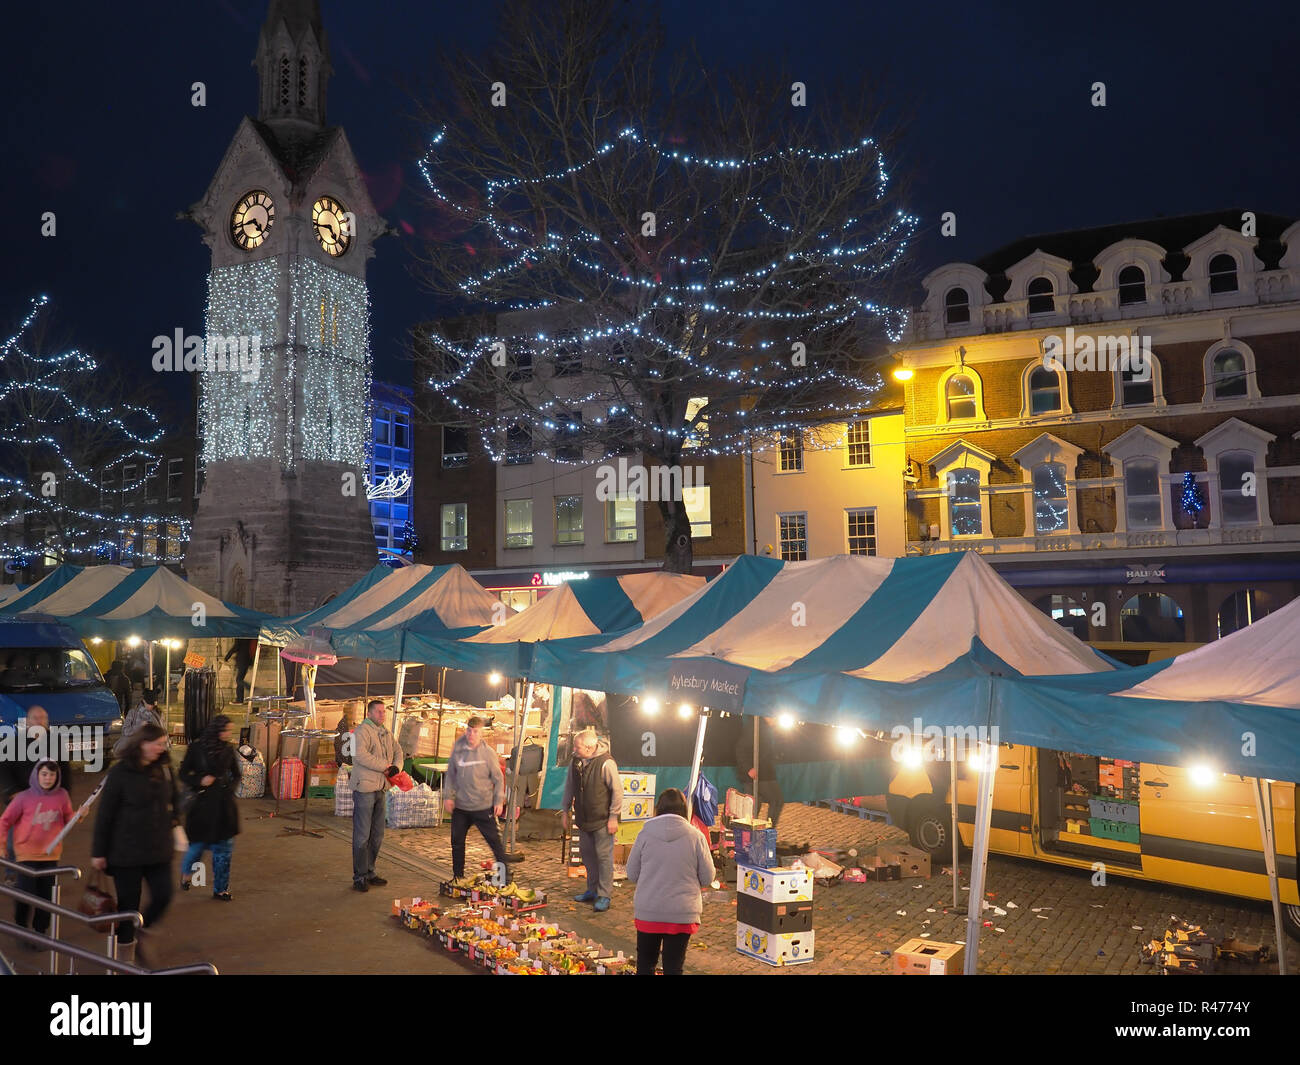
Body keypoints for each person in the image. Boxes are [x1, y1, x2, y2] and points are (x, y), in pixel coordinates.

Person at [91, 722, 178, 965]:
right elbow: (105, 815)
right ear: (142, 743)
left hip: (158, 849)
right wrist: (98, 852)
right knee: (129, 906)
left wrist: (176, 820)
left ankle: (145, 932)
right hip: (125, 853)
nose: (161, 749)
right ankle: (125, 953)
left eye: (163, 744)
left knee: (164, 894)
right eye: (157, 744)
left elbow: (175, 798)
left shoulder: (164, 768)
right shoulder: (120, 773)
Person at [626, 788, 715, 975]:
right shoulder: (696, 836)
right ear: (684, 809)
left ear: (658, 808)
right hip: (682, 913)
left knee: (645, 965)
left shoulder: (645, 834)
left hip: (648, 911)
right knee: (674, 967)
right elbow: (708, 877)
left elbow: (632, 874)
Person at [0, 761, 74, 947]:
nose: (48, 778)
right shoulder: (23, 798)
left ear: (57, 777)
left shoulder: (62, 796)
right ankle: (22, 927)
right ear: (36, 775)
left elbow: (67, 818)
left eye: (52, 775)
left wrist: (78, 815)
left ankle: (40, 932)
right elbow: (5, 821)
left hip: (50, 855)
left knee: (45, 896)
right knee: (26, 892)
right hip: (26, 854)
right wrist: (2, 846)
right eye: (44, 774)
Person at [443, 716, 513, 890]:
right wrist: (448, 796)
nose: (471, 734)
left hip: (483, 806)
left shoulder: (488, 753)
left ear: (481, 734)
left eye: (475, 732)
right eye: (469, 730)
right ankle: (458, 876)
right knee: (457, 842)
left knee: (494, 843)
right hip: (461, 807)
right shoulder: (458, 748)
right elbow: (451, 774)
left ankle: (505, 878)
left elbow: (498, 778)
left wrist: (498, 800)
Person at [178, 714, 240, 901]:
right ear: (216, 729)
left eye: (230, 730)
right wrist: (199, 780)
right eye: (225, 730)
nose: (228, 734)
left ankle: (220, 889)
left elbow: (236, 774)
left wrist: (228, 789)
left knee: (224, 851)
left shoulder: (228, 749)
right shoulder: (196, 748)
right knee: (197, 847)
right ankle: (186, 874)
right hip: (201, 807)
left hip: (223, 808)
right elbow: (182, 773)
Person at [560, 728, 622, 912]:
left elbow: (617, 791)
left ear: (589, 747)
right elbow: (570, 786)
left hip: (602, 819)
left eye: (577, 746)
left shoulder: (606, 763)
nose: (574, 749)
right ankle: (592, 889)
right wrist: (564, 810)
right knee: (587, 856)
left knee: (603, 858)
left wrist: (613, 816)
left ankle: (604, 895)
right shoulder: (576, 761)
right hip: (583, 818)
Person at [349, 699, 403, 892]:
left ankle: (370, 871)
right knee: (362, 835)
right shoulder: (362, 732)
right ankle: (359, 876)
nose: (383, 715)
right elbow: (361, 756)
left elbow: (398, 751)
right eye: (379, 712)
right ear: (370, 714)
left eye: (384, 712)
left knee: (377, 834)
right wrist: (386, 766)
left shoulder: (386, 732)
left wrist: (397, 768)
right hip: (364, 789)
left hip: (382, 788)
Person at [736, 715, 784, 830]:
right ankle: (767, 832)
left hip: (763, 773)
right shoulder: (755, 727)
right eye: (774, 716)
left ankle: (752, 834)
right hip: (758, 775)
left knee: (755, 805)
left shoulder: (766, 728)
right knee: (775, 800)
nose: (776, 719)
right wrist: (749, 768)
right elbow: (740, 749)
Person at [224, 639, 254, 704]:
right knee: (240, 680)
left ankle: (241, 698)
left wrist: (227, 656)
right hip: (246, 660)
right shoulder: (247, 636)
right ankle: (240, 699)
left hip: (242, 660)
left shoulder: (240, 636)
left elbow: (236, 647)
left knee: (239, 680)